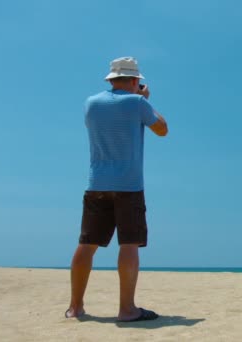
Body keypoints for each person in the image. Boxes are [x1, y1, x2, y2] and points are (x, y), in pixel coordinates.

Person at [65, 57, 168, 322]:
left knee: (86, 245)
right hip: (129, 185)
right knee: (129, 245)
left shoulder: (91, 103)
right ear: (135, 81)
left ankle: (75, 307)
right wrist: (145, 100)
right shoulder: (137, 103)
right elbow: (162, 129)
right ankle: (127, 309)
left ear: (111, 79)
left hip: (96, 183)